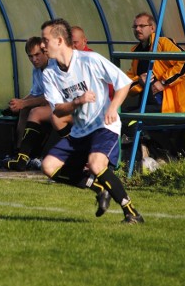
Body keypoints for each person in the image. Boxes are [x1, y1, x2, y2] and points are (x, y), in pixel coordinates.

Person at [40, 18, 144, 224]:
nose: (42, 45)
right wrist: (79, 101)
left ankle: (132, 212)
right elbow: (58, 111)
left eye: (45, 40)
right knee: (48, 166)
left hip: (104, 126)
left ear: (59, 40)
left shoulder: (90, 60)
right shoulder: (49, 73)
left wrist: (113, 108)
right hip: (80, 131)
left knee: (96, 164)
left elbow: (123, 82)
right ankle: (99, 189)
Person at [122, 12, 185, 148]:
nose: (137, 29)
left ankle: (166, 152)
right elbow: (129, 82)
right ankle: (158, 153)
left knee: (128, 121)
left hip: (166, 104)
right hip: (146, 103)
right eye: (135, 26)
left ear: (152, 28)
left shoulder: (162, 43)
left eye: (142, 26)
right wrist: (139, 81)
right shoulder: (136, 51)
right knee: (119, 118)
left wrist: (163, 82)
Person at [4, 37, 71, 171]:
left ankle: (25, 158)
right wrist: (19, 103)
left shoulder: (54, 67)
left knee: (35, 112)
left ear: (45, 52)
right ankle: (19, 152)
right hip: (54, 106)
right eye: (30, 56)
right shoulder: (37, 70)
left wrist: (24, 103)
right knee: (25, 110)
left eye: (37, 55)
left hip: (67, 105)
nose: (34, 59)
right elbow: (35, 93)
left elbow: (50, 97)